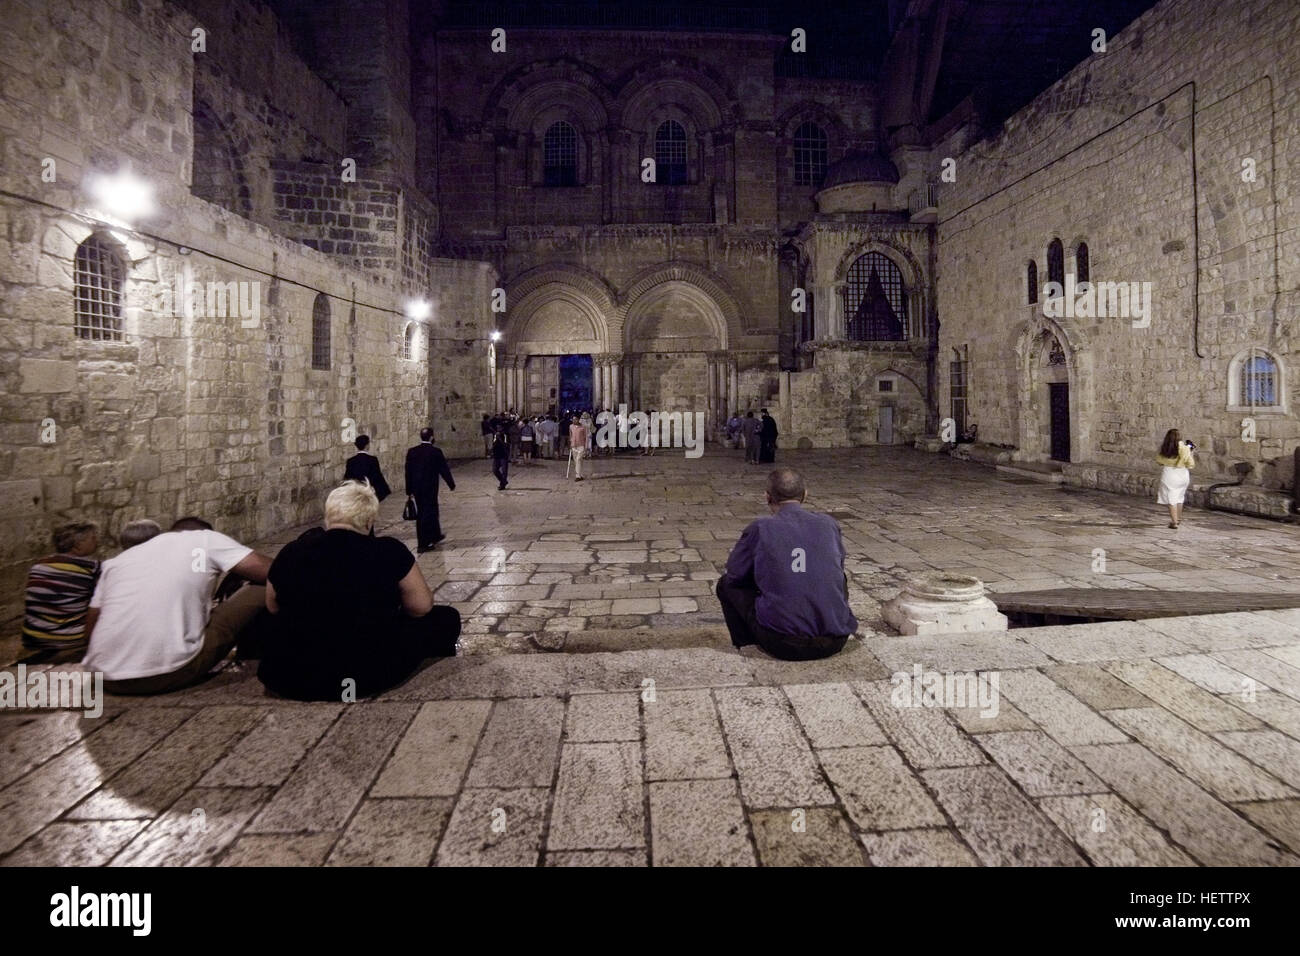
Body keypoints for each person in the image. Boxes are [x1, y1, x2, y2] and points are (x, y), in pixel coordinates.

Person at [257, 482, 462, 701]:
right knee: (446, 618)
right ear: (369, 520)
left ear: (329, 516)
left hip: (290, 680)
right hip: (362, 678)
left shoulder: (292, 551)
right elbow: (421, 607)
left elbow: (272, 606)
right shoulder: (388, 550)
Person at [82, 519, 272, 694]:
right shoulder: (205, 539)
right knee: (266, 585)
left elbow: (90, 629)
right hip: (167, 673)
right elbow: (278, 569)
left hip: (103, 677)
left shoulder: (117, 561)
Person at [716, 468, 857, 661]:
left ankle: (747, 643)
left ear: (767, 497)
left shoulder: (761, 527)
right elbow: (837, 565)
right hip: (836, 640)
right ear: (805, 494)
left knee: (725, 585)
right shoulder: (828, 523)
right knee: (838, 578)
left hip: (783, 644)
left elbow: (734, 574)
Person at [21, 521, 101, 652]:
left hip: (33, 637)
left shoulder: (38, 566)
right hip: (69, 638)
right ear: (77, 545)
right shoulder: (92, 568)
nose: (97, 541)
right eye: (92, 538)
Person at [404, 427, 456, 552]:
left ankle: (435, 535)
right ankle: (423, 544)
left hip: (417, 489)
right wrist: (451, 484)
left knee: (431, 510)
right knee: (425, 514)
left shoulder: (412, 452)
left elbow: (408, 472)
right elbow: (444, 469)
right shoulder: (435, 452)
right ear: (432, 437)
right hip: (430, 488)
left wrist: (409, 490)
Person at [1156, 428, 1195, 529]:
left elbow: (1159, 461)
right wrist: (1190, 451)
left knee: (1171, 498)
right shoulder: (1185, 448)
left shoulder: (1164, 448)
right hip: (1182, 474)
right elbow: (1190, 463)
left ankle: (1174, 522)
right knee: (1179, 497)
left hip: (1169, 474)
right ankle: (1178, 519)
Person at [343, 435, 391, 501]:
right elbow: (377, 476)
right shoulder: (373, 460)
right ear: (367, 445)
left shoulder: (351, 461)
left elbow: (348, 477)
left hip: (356, 492)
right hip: (369, 491)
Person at [569, 415, 589, 481]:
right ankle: (580, 474)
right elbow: (570, 435)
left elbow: (586, 437)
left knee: (578, 459)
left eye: (575, 419)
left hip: (581, 445)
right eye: (573, 419)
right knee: (576, 461)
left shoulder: (583, 427)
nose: (574, 421)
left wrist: (586, 446)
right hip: (574, 445)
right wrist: (570, 443)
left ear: (578, 419)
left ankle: (578, 476)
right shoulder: (571, 426)